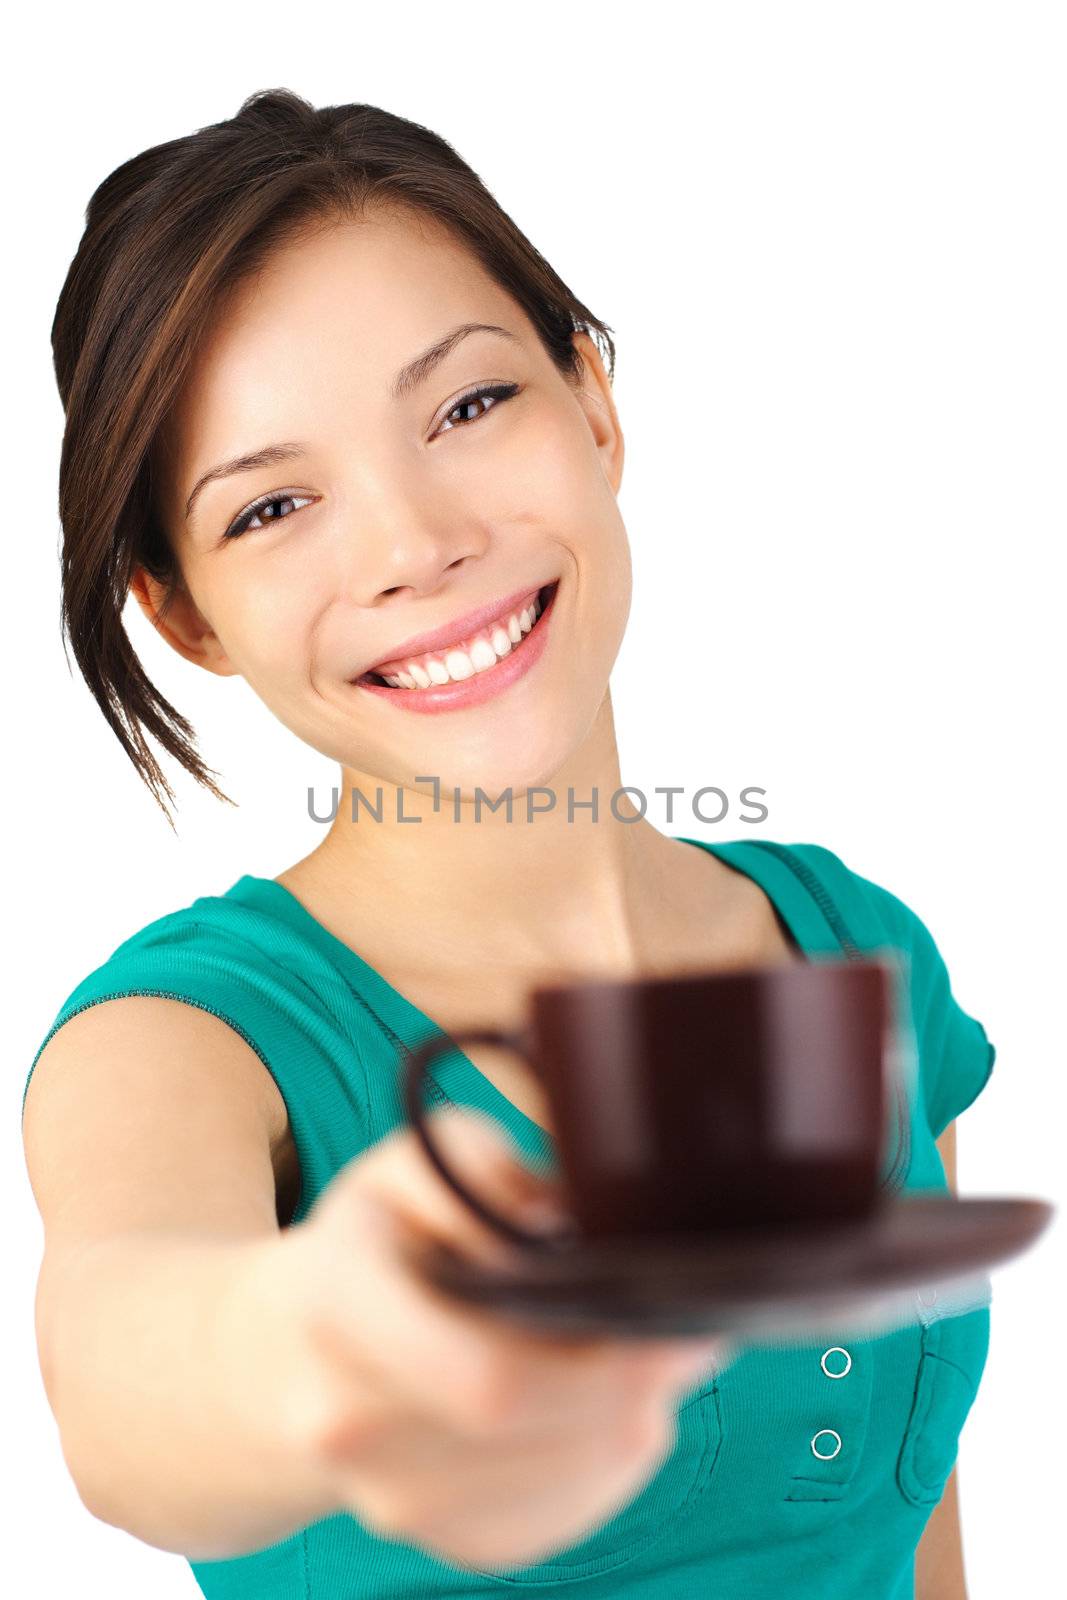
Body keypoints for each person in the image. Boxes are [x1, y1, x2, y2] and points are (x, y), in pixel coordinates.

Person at [20, 87, 995, 1600]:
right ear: (187, 613)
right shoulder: (185, 1043)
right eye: (275, 504)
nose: (416, 545)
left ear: (594, 405)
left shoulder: (862, 949)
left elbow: (916, 1542)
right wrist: (327, 1339)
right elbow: (128, 1382)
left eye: (470, 407)